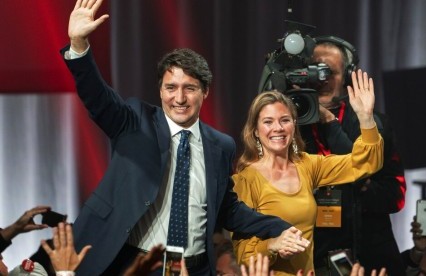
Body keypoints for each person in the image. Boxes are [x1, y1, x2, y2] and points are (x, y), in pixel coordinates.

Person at [63, 0, 307, 275]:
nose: (179, 98)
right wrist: (79, 46)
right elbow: (97, 97)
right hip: (136, 265)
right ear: (160, 91)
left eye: (189, 88)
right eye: (171, 88)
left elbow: (228, 209)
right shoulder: (134, 120)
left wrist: (280, 227)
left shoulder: (221, 145)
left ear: (204, 93)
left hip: (195, 268)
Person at [232, 68, 384, 274]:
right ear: (255, 131)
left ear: (294, 126)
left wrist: (366, 118)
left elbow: (366, 163)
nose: (278, 128)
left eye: (285, 120)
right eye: (268, 122)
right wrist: (273, 245)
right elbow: (243, 256)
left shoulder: (307, 165)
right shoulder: (245, 180)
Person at [297, 35, 406, 275]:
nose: (321, 79)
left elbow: (395, 197)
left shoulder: (372, 124)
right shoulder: (289, 124)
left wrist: (329, 123)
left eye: (330, 72)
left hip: (367, 255)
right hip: (311, 255)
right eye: (315, 71)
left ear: (347, 76)